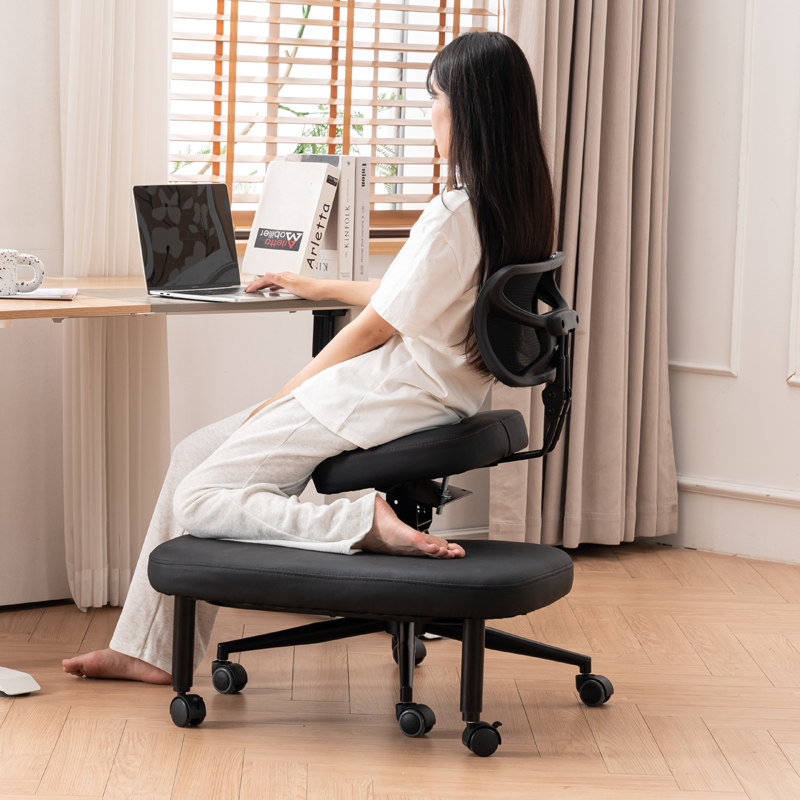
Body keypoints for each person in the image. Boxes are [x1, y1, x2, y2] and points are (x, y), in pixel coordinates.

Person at [62, 31, 555, 684]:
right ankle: (146, 650)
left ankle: (358, 521)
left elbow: (375, 330)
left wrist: (284, 394)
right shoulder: (512, 210)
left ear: (469, 111)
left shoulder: (450, 214)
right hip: (436, 393)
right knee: (192, 454)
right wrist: (317, 287)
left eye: (435, 99)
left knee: (196, 496)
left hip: (383, 396)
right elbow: (411, 295)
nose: (430, 115)